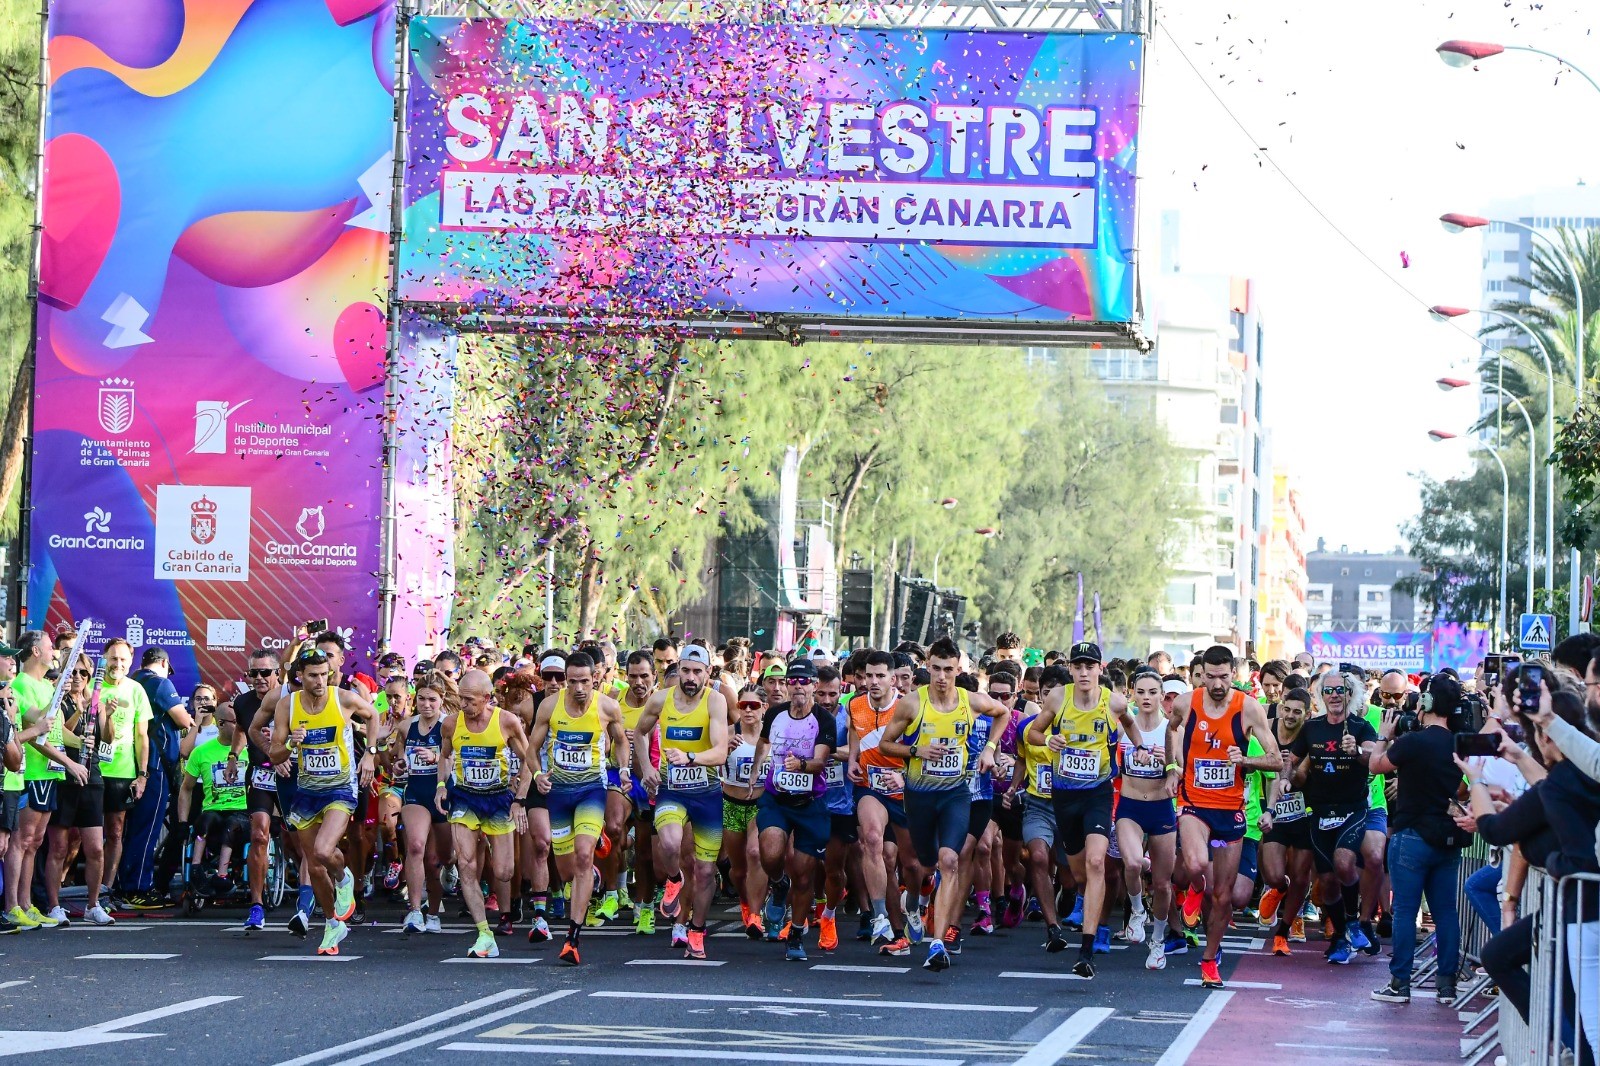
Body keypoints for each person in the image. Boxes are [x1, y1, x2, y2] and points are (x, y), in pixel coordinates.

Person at [879, 637, 1011, 972]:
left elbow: (1003, 713)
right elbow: (885, 745)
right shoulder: (912, 704)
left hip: (955, 793)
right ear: (927, 667)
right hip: (920, 795)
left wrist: (990, 748)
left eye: (948, 670)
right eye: (935, 668)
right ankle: (920, 900)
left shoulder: (970, 701)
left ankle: (937, 944)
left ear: (958, 670)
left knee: (949, 860)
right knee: (924, 865)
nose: (941, 676)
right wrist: (915, 751)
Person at [1169, 645, 1280, 989]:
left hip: (1231, 809)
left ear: (1235, 674)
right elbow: (1172, 730)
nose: (1217, 684)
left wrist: (1245, 760)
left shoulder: (1248, 709)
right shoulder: (1186, 703)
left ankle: (1209, 959)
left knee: (1225, 896)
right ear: (1200, 674)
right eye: (1210, 676)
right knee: (1197, 863)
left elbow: (1276, 760)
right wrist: (1174, 766)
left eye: (1224, 677)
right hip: (1192, 802)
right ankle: (1194, 890)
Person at [1027, 642, 1137, 978]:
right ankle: (1079, 901)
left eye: (1091, 666)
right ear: (1072, 669)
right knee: (1078, 874)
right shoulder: (1058, 698)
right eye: (1079, 666)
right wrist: (1048, 741)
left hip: (1098, 794)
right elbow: (1032, 733)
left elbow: (1131, 725)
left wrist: (1141, 749)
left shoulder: (1113, 701)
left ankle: (1086, 949)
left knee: (1095, 862)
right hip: (1064, 795)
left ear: (1100, 669)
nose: (1085, 671)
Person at [1367, 672, 1472, 1004]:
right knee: (1445, 912)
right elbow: (1462, 790)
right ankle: (1446, 985)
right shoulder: (1459, 744)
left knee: (1405, 910)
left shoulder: (1412, 741)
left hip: (1411, 835)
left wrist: (1384, 735)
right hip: (1447, 837)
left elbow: (1376, 766)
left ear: (1425, 702)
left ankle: (1400, 983)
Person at [267, 647, 380, 956]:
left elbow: (373, 716)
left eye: (324, 674)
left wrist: (369, 755)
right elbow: (274, 753)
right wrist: (291, 742)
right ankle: (332, 922)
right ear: (299, 676)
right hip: (306, 789)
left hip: (340, 787)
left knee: (322, 850)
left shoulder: (342, 698)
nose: (320, 681)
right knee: (316, 866)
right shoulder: (287, 707)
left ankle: (345, 877)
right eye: (313, 675)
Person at [527, 651, 630, 965]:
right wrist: (537, 775)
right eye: (572, 681)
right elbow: (531, 749)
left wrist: (623, 770)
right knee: (569, 870)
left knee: (583, 856)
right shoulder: (549, 706)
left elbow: (622, 741)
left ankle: (572, 938)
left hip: (590, 791)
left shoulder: (607, 706)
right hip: (559, 793)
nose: (579, 687)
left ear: (594, 678)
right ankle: (594, 859)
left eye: (585, 680)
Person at [633, 643, 730, 960]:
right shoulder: (661, 699)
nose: (690, 677)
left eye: (697, 672)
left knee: (704, 871)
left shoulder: (715, 702)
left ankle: (698, 931)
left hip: (707, 794)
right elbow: (639, 732)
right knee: (670, 845)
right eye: (685, 670)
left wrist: (690, 757)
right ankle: (674, 881)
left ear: (708, 674)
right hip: (672, 790)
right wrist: (647, 767)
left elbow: (720, 752)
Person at [437, 668, 534, 959]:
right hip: (465, 798)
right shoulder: (452, 724)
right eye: (461, 699)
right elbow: (444, 757)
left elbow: (528, 760)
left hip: (498, 799)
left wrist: (520, 798)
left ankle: (492, 846)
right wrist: (442, 785)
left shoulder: (506, 721)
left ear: (487, 698)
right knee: (466, 865)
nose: (464, 706)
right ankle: (484, 933)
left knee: (504, 871)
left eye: (470, 700)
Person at [1288, 665, 1379, 966]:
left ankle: (1353, 921)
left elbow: (1375, 760)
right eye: (1329, 690)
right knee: (1326, 881)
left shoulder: (1362, 727)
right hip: (1319, 811)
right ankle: (1340, 936)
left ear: (1350, 694)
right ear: (1321, 695)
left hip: (1353, 809)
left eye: (1341, 690)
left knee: (1344, 862)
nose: (1335, 695)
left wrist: (1357, 754)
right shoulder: (1312, 728)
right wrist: (1289, 776)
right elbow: (1292, 762)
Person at [752, 658, 836, 962]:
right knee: (771, 853)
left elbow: (820, 761)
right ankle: (777, 883)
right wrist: (755, 773)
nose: (798, 687)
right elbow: (762, 744)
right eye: (793, 681)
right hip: (777, 799)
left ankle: (797, 932)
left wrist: (800, 764)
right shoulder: (774, 713)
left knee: (804, 875)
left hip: (810, 804)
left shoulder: (823, 720)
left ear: (814, 685)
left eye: (804, 681)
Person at [6, 630, 88, 930]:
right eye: (49, 645)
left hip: (50, 773)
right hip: (33, 773)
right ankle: (12, 906)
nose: (53, 650)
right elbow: (35, 730)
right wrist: (69, 763)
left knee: (36, 842)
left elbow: (52, 727)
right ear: (35, 651)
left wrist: (59, 694)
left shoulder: (43, 684)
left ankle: (27, 904)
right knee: (22, 840)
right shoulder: (21, 683)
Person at [121, 646, 194, 907]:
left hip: (131, 764)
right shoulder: (159, 683)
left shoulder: (131, 682)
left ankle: (123, 884)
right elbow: (185, 720)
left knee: (129, 830)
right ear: (163, 664)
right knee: (148, 828)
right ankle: (139, 888)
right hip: (155, 765)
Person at [44, 658, 114, 926]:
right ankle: (54, 905)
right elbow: (62, 733)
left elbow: (106, 738)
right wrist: (79, 710)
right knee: (59, 846)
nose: (77, 677)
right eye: (72, 672)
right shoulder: (57, 699)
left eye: (83, 672)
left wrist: (105, 713)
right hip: (63, 774)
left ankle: (93, 905)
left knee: (95, 847)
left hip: (92, 775)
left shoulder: (95, 699)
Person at [1115, 667, 1177, 970]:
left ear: (1162, 695)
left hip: (1162, 808)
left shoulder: (1170, 729)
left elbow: (1181, 770)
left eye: (1153, 692)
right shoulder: (1122, 726)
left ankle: (1158, 941)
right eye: (1140, 692)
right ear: (1132, 694)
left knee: (1164, 885)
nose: (1147, 697)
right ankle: (1137, 911)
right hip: (1129, 806)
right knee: (1133, 863)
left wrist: (1166, 764)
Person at [396, 672, 455, 935]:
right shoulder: (406, 727)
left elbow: (456, 760)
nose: (426, 705)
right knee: (416, 846)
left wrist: (437, 758)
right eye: (421, 699)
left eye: (432, 699)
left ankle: (433, 911)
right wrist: (397, 764)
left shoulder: (450, 726)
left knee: (437, 859)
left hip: (442, 795)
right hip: (416, 794)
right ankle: (414, 911)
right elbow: (398, 759)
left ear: (442, 700)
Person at [177, 703, 250, 896]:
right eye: (236, 723)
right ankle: (195, 868)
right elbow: (186, 788)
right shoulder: (201, 752)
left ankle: (223, 874)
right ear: (220, 723)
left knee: (232, 824)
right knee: (204, 822)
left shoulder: (249, 750)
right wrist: (183, 822)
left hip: (242, 810)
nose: (240, 727)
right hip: (213, 809)